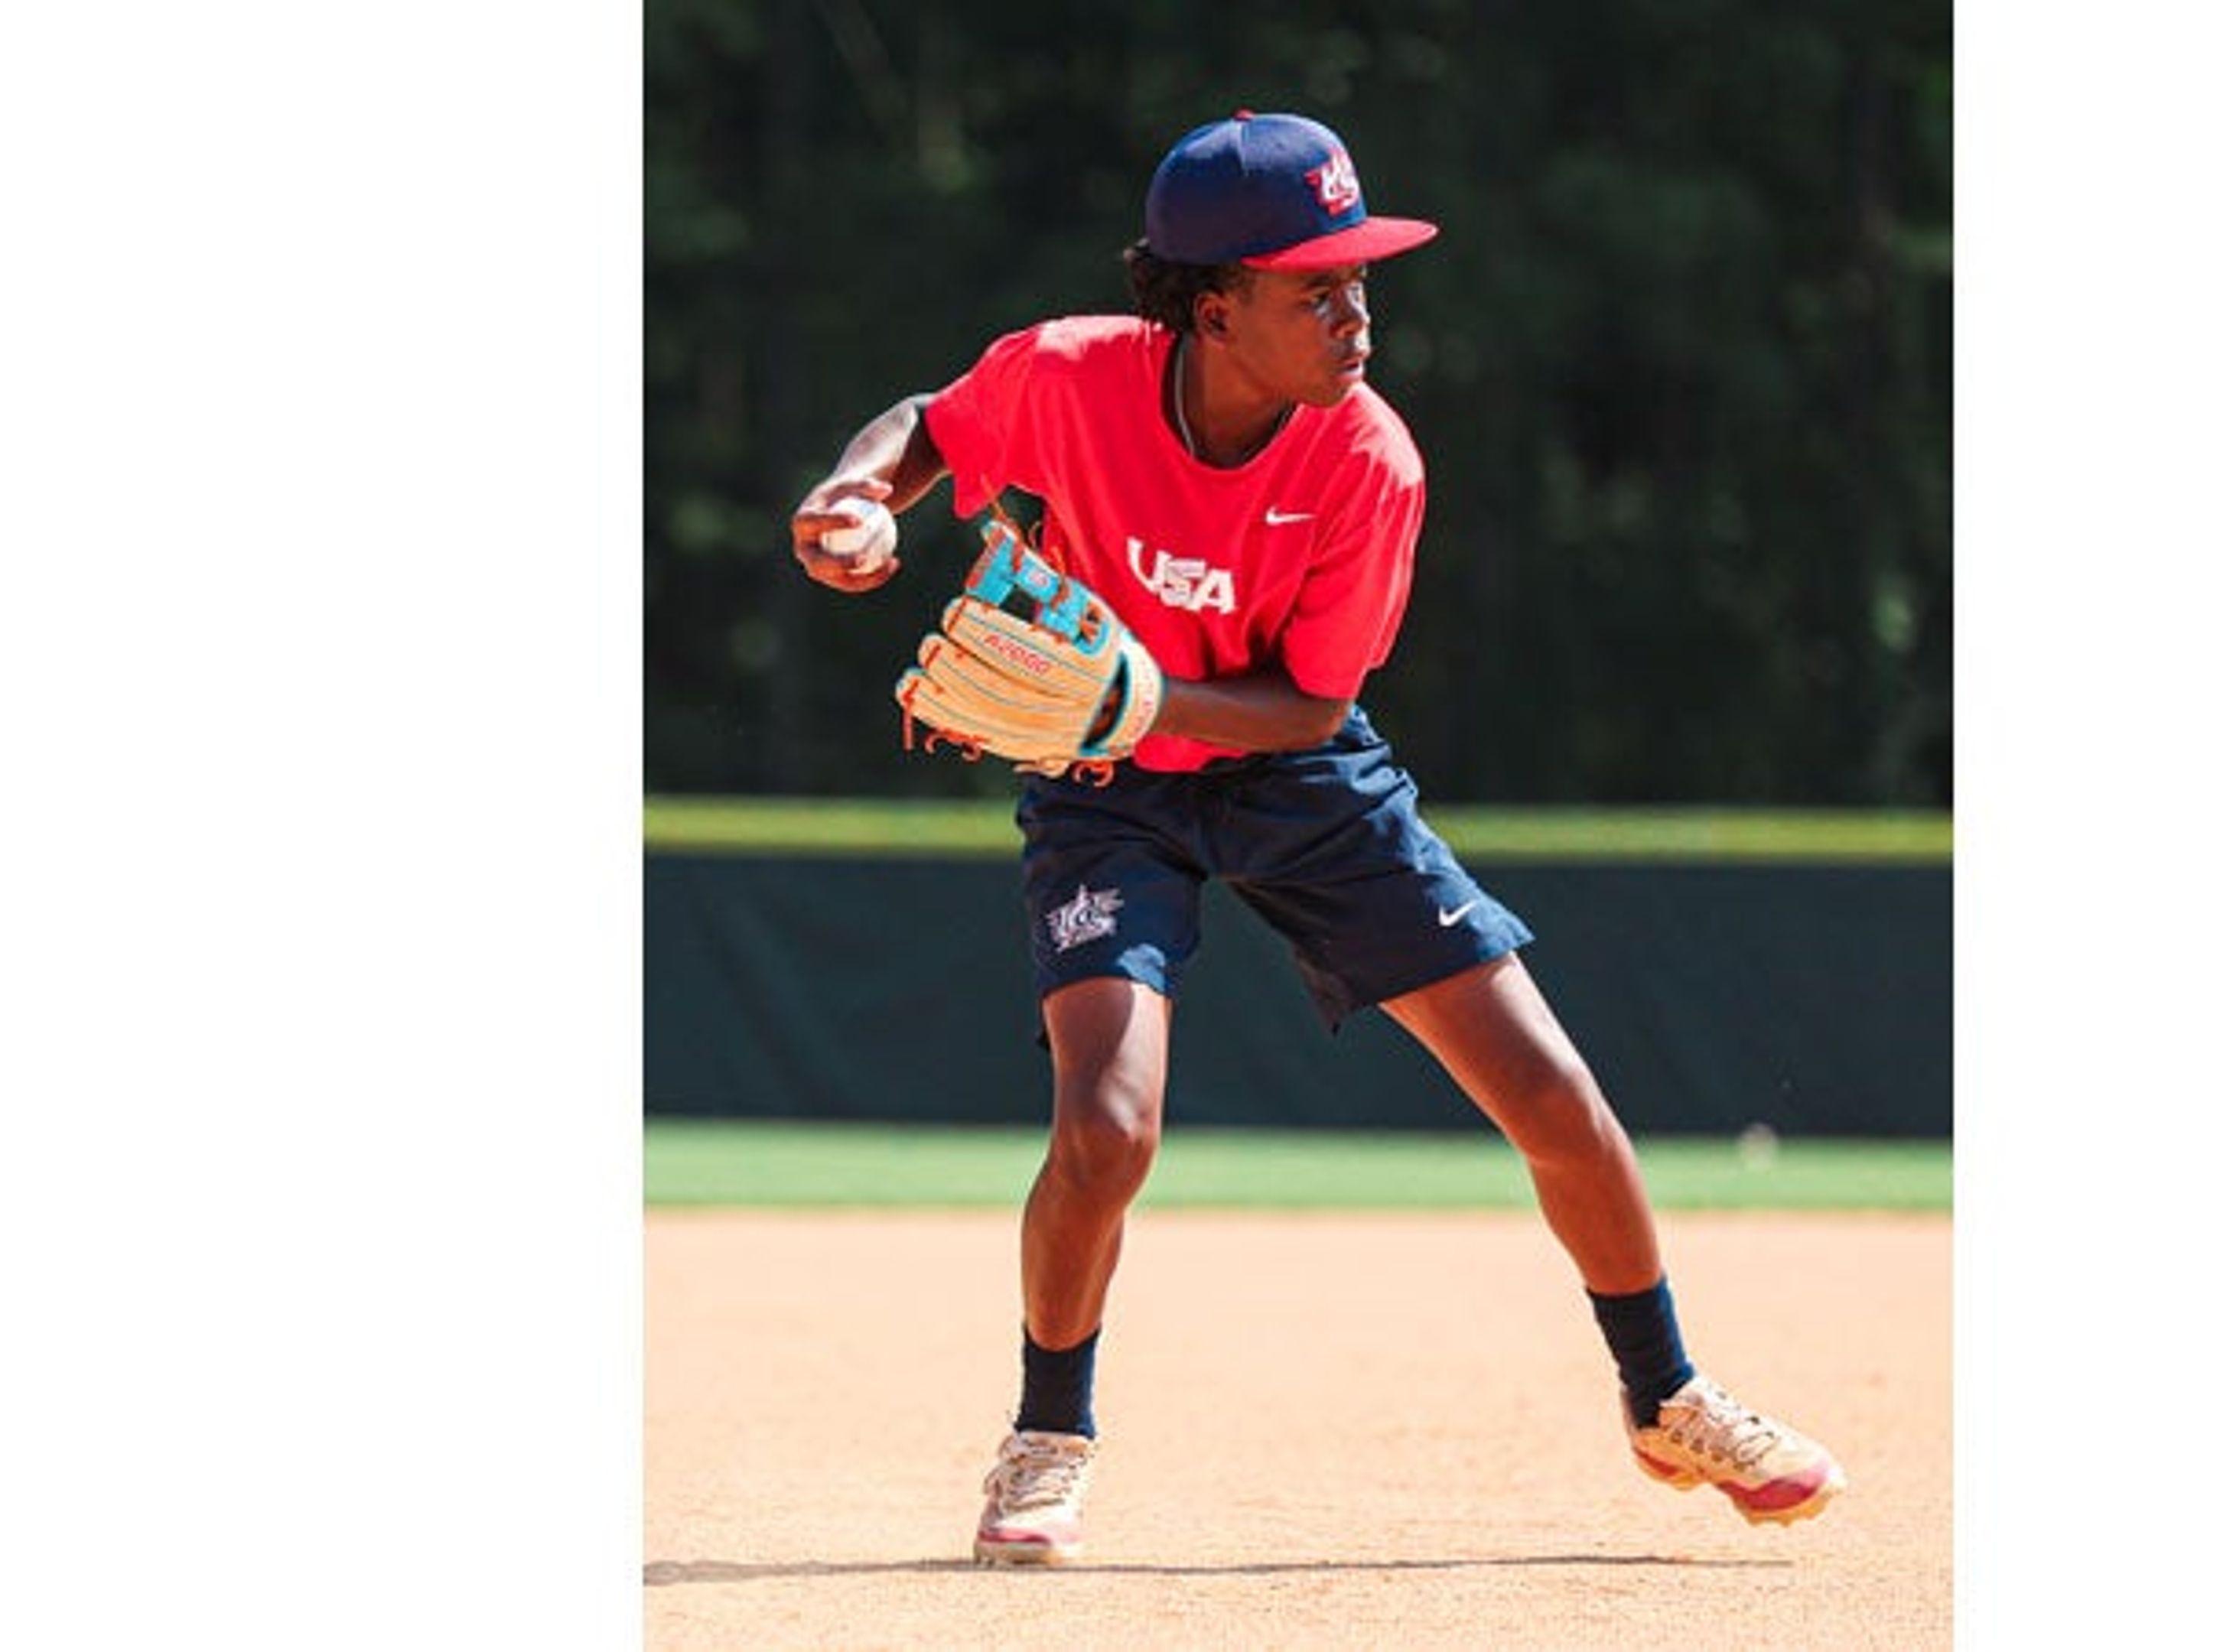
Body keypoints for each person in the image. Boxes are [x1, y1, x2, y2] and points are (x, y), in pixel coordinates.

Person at [788, 109, 1845, 1566]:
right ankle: (1047, 1437)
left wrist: (1148, 695)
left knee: (1551, 1091)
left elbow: (1311, 704)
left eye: (1359, 280)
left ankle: (1666, 1395)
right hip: (1108, 786)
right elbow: (932, 422)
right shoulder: (1072, 376)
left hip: (1292, 769)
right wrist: (856, 489)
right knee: (1107, 1126)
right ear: (1213, 308)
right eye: (1316, 288)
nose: (1358, 314)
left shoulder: (1369, 460)